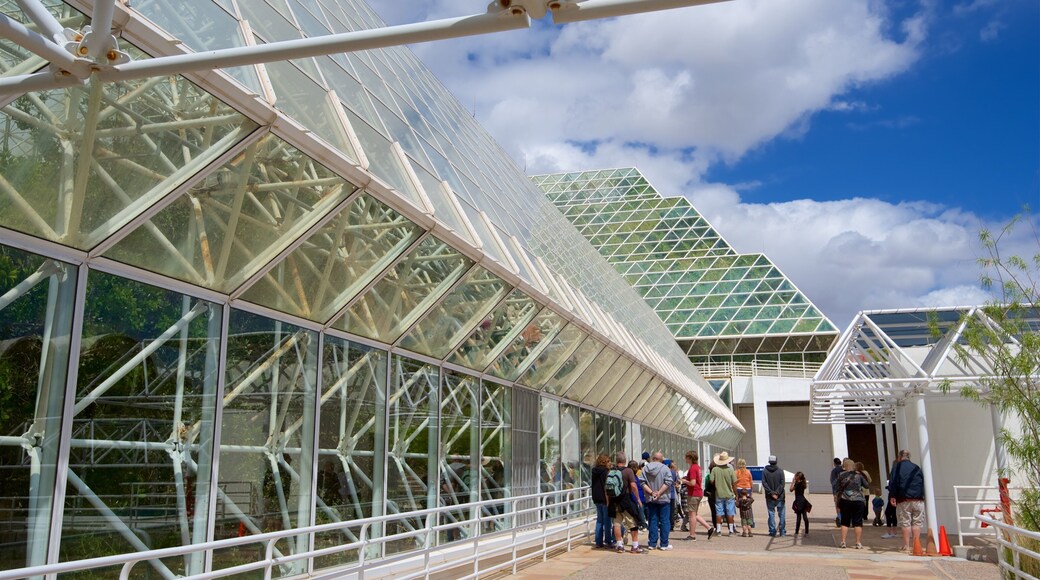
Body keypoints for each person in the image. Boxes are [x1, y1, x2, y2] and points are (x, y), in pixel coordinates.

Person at [888, 449, 926, 554]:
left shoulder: (897, 467)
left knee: (905, 522)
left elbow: (893, 482)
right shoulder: (916, 467)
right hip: (918, 498)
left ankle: (906, 546)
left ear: (899, 457)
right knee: (917, 522)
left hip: (903, 499)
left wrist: (892, 495)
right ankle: (916, 545)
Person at [610, 452, 646, 554]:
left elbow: (606, 488)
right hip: (626, 500)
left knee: (616, 523)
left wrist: (609, 501)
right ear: (625, 461)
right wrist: (638, 499)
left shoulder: (611, 471)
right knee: (632, 522)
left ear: (616, 461)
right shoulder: (628, 471)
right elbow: (633, 486)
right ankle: (635, 546)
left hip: (614, 500)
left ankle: (619, 545)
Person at [642, 452, 674, 550]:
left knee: (652, 520)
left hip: (651, 498)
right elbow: (668, 482)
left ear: (652, 458)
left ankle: (652, 543)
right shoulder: (665, 468)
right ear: (661, 459)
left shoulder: (645, 468)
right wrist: (659, 492)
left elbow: (642, 482)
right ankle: (664, 544)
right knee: (664, 521)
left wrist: (652, 493)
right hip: (663, 498)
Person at [679, 450, 714, 541]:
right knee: (695, 514)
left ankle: (692, 535)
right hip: (698, 493)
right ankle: (709, 528)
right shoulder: (697, 467)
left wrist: (684, 481)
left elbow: (693, 483)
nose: (685, 459)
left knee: (692, 515)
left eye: (686, 457)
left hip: (693, 493)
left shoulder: (692, 468)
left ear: (690, 458)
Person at [836, 458, 869, 549]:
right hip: (858, 500)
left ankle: (843, 541)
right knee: (858, 522)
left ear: (844, 466)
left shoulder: (840, 475)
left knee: (845, 522)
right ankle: (858, 543)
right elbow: (866, 485)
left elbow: (837, 487)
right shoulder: (859, 475)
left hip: (845, 499)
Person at [710, 451, 737, 536]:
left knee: (719, 513)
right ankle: (731, 530)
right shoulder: (730, 470)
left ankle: (718, 530)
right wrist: (736, 494)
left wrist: (717, 484)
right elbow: (734, 483)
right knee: (730, 513)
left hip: (719, 494)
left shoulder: (714, 469)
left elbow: (711, 480)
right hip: (729, 494)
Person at [590, 454, 612, 548]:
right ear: (605, 462)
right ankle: (608, 540)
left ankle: (598, 542)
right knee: (607, 521)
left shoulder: (594, 471)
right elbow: (606, 486)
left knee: (599, 520)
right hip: (604, 498)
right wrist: (608, 500)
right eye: (609, 461)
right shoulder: (606, 472)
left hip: (596, 497)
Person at [762, 455, 787, 537]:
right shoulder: (780, 471)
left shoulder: (765, 471)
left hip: (769, 497)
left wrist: (771, 493)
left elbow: (764, 483)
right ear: (776, 461)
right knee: (782, 514)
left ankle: (772, 531)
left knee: (771, 514)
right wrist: (777, 492)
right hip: (780, 497)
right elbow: (782, 483)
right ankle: (782, 531)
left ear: (769, 462)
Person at [790, 471, 811, 536]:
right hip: (803, 501)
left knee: (798, 517)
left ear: (797, 477)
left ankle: (796, 532)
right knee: (805, 517)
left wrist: (793, 482)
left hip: (798, 501)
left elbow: (791, 490)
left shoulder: (797, 484)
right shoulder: (803, 483)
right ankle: (806, 531)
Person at [830, 457, 843, 528]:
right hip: (845, 491)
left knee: (838, 506)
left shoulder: (834, 471)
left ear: (834, 463)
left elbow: (833, 482)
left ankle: (840, 519)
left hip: (837, 491)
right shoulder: (844, 469)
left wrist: (834, 493)